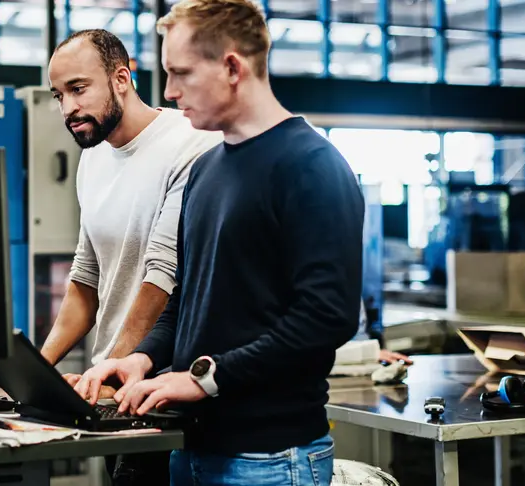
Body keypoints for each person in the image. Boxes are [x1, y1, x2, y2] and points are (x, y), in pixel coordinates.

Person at [72, 0, 366, 484]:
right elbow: (185, 299)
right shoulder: (207, 170)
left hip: (270, 458)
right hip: (192, 448)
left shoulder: (312, 166)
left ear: (232, 67)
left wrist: (205, 378)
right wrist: (141, 359)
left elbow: (326, 317)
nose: (169, 91)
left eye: (181, 73)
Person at [41, 29, 223, 484]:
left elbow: (161, 279)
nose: (68, 109)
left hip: (162, 389)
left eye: (78, 89)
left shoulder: (190, 144)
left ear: (121, 78)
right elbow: (85, 281)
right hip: (112, 387)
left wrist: (108, 377)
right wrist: (35, 374)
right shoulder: (94, 158)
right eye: (58, 95)